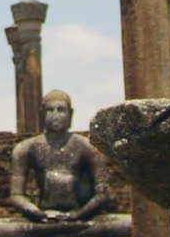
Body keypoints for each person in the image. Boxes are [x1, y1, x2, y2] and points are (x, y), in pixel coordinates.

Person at [6, 90, 110, 222]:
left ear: (70, 114)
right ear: (42, 114)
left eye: (61, 110)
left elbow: (103, 194)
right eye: (50, 110)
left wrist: (77, 215)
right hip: (44, 217)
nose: (55, 115)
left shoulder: (88, 147)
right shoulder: (25, 148)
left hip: (81, 217)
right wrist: (38, 213)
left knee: (124, 224)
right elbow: (16, 195)